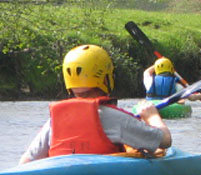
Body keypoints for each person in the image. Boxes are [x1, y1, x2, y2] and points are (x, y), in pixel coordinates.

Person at [19, 44, 172, 164]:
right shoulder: (116, 118)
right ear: (106, 79)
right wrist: (152, 117)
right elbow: (165, 141)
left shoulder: (55, 121)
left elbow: (26, 162)